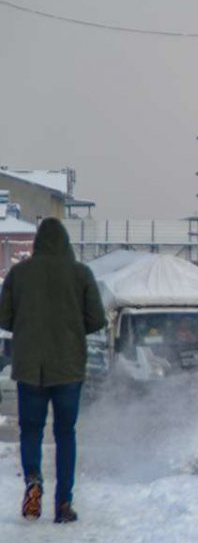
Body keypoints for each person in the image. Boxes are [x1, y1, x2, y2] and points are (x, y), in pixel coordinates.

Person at [0, 218, 106, 523]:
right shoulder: (80, 274)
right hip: (68, 367)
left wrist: (27, 323)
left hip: (30, 367)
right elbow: (97, 320)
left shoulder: (19, 274)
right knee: (65, 433)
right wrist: (72, 328)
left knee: (30, 430)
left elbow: (4, 318)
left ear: (37, 243)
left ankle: (33, 479)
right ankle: (63, 503)